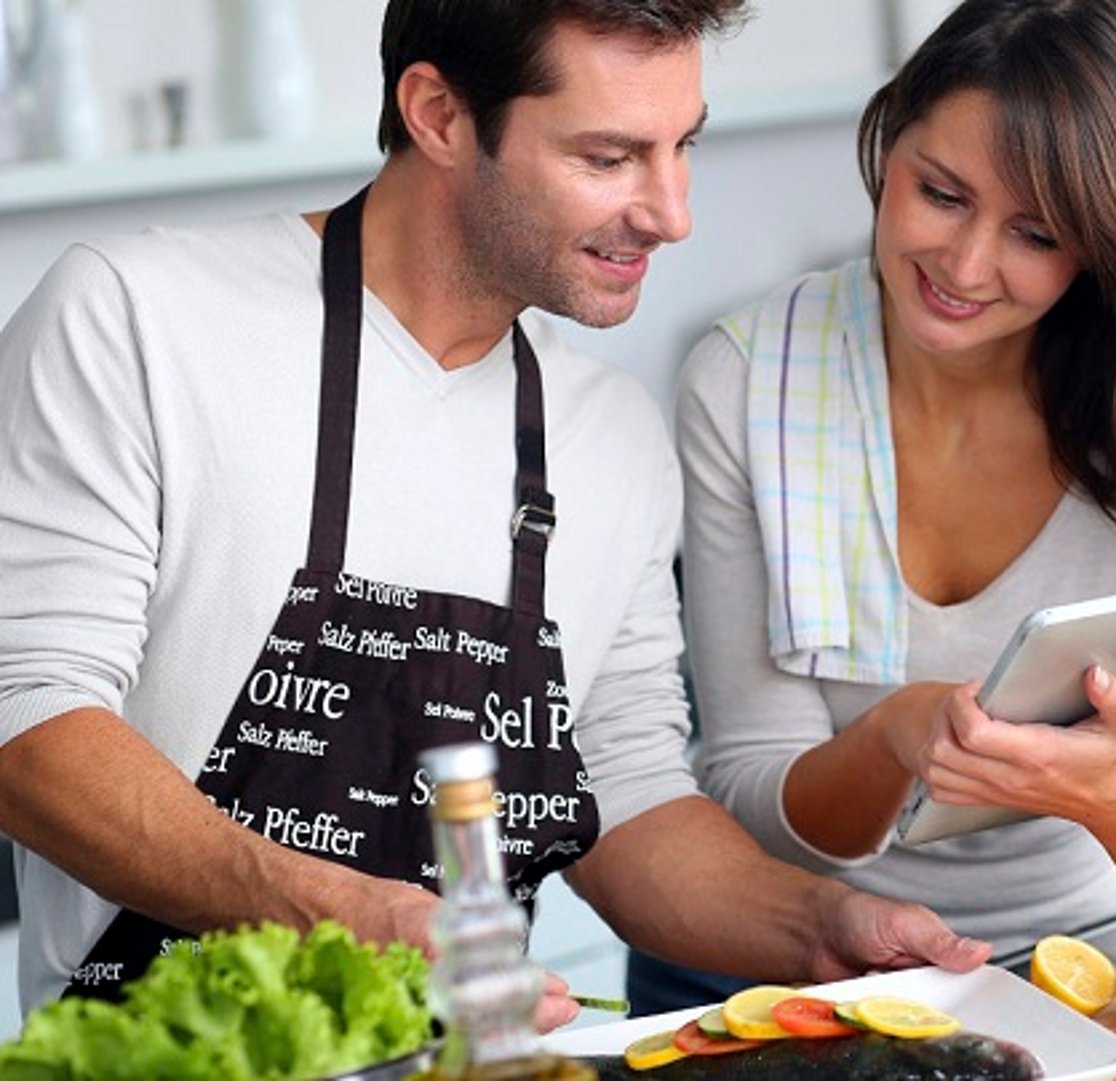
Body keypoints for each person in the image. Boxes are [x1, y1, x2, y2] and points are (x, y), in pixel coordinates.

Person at [0, 0, 990, 1027]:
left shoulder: (607, 434)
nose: (671, 210)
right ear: (437, 114)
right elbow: (24, 716)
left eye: (680, 146)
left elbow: (626, 796)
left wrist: (818, 924)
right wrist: (339, 911)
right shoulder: (139, 320)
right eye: (610, 157)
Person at [647, 0, 1116, 1012]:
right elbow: (749, 789)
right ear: (888, 136)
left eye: (1037, 234)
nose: (964, 267)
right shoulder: (745, 384)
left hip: (1081, 987)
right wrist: (895, 737)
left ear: (1105, 245)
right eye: (941, 193)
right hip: (796, 984)